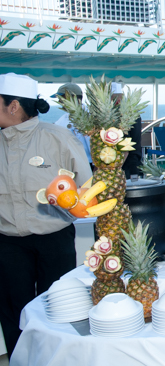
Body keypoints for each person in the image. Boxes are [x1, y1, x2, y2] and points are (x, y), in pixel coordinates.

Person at [0, 73, 92, 359]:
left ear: (13, 106)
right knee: (14, 312)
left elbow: (87, 185)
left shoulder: (57, 138)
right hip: (8, 244)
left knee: (60, 309)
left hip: (54, 241)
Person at [52, 83, 93, 170]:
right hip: (67, 164)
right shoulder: (64, 118)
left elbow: (93, 145)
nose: (59, 102)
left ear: (72, 97)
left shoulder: (88, 116)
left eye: (61, 98)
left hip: (86, 165)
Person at [112, 82, 143, 178]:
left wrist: (115, 169)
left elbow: (125, 146)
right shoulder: (133, 112)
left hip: (126, 167)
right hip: (135, 162)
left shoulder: (121, 116)